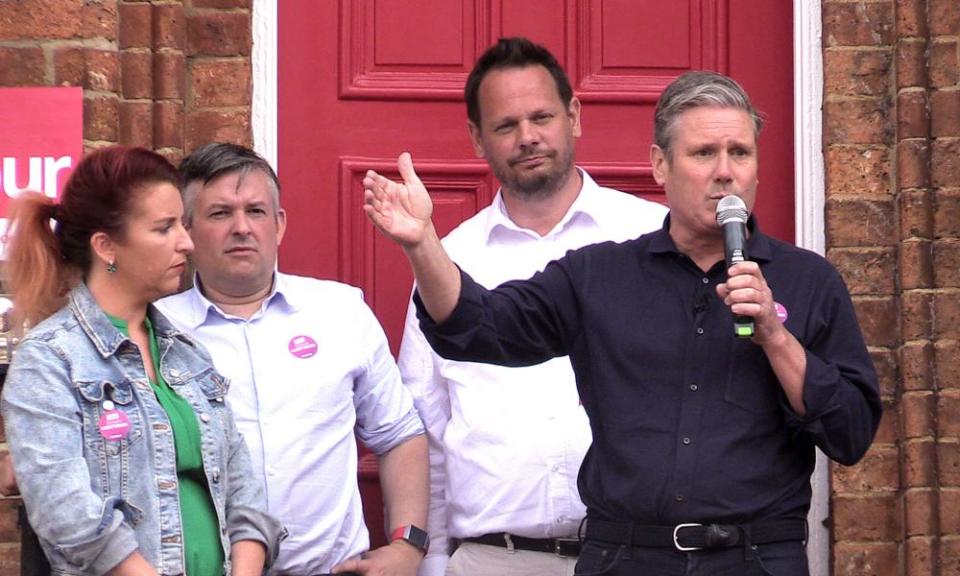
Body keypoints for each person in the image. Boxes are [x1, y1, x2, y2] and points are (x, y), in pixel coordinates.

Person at [362, 71, 882, 575]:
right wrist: (422, 243)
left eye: (740, 153)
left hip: (755, 558)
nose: (726, 172)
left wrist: (774, 334)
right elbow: (480, 327)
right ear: (660, 165)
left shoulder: (808, 281)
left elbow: (851, 433)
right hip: (627, 556)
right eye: (704, 153)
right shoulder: (599, 274)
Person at [396, 37, 667, 576]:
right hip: (494, 560)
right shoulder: (448, 263)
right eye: (505, 125)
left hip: (639, 556)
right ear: (478, 139)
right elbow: (426, 424)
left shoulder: (651, 237)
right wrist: (433, 559)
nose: (527, 137)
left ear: (574, 116)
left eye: (542, 116)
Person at [1, 146, 284, 576]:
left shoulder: (186, 353)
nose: (186, 243)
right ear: (106, 247)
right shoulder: (50, 360)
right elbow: (70, 517)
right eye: (164, 228)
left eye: (182, 225)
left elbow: (243, 490)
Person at [154, 143, 429, 576]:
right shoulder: (156, 332)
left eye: (257, 211)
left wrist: (408, 546)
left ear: (279, 224)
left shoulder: (340, 312)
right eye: (220, 213)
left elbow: (399, 434)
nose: (241, 228)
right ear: (187, 229)